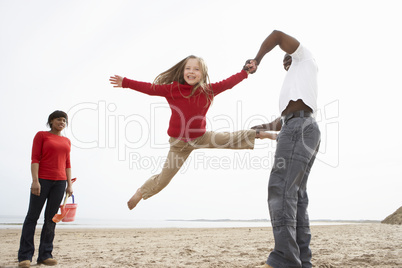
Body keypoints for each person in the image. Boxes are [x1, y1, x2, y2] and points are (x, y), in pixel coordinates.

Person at [109, 55, 277, 210]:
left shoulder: (207, 90)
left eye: (196, 69)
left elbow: (228, 83)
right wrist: (126, 82)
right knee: (163, 180)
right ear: (182, 72)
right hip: (178, 145)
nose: (191, 72)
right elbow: (150, 88)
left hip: (202, 137)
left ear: (202, 74)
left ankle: (261, 134)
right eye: (188, 68)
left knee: (231, 138)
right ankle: (141, 192)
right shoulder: (172, 89)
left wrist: (245, 72)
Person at [246, 30, 321, 268]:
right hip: (300, 125)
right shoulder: (295, 85)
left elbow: (277, 35)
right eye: (284, 61)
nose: (285, 60)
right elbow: (283, 120)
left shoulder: (305, 58)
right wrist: (259, 128)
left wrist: (256, 60)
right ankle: (302, 261)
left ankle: (285, 260)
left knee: (280, 188)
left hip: (299, 127)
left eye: (288, 55)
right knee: (296, 195)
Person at [18, 110, 73, 267]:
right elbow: (35, 158)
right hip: (42, 181)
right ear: (51, 121)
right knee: (32, 217)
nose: (62, 122)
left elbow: (67, 164)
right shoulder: (41, 135)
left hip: (60, 182)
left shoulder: (67, 141)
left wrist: (69, 184)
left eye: (64, 120)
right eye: (58, 119)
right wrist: (35, 181)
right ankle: (25, 256)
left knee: (51, 220)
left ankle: (45, 255)